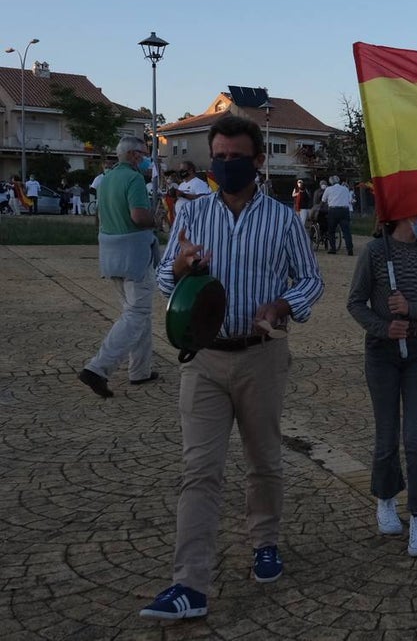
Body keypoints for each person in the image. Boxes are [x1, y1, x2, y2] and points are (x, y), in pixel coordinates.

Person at [142, 115, 324, 621]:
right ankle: (189, 585)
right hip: (203, 358)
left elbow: (310, 279)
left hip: (261, 356)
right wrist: (178, 269)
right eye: (218, 157)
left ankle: (265, 541)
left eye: (235, 156)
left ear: (258, 160)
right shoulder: (192, 216)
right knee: (199, 469)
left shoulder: (283, 219)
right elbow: (163, 281)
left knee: (263, 459)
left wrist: (281, 306)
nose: (226, 164)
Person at [346, 213, 417, 558]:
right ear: (403, 213)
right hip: (382, 353)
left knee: (416, 438)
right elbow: (355, 302)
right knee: (386, 435)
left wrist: (412, 308)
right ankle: (386, 497)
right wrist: (382, 328)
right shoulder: (375, 252)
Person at [78, 137, 159, 399]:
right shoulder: (134, 179)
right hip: (134, 255)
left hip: (110, 252)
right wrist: (156, 220)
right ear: (135, 156)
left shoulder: (107, 179)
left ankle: (140, 370)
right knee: (137, 314)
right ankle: (98, 368)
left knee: (138, 314)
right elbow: (138, 216)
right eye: (145, 154)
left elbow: (100, 217)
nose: (148, 160)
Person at [322, 175, 354, 256]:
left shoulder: (328, 189)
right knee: (346, 231)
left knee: (331, 230)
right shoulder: (345, 189)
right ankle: (349, 249)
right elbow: (350, 200)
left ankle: (333, 248)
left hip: (333, 210)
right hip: (344, 210)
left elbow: (323, 200)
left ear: (330, 182)